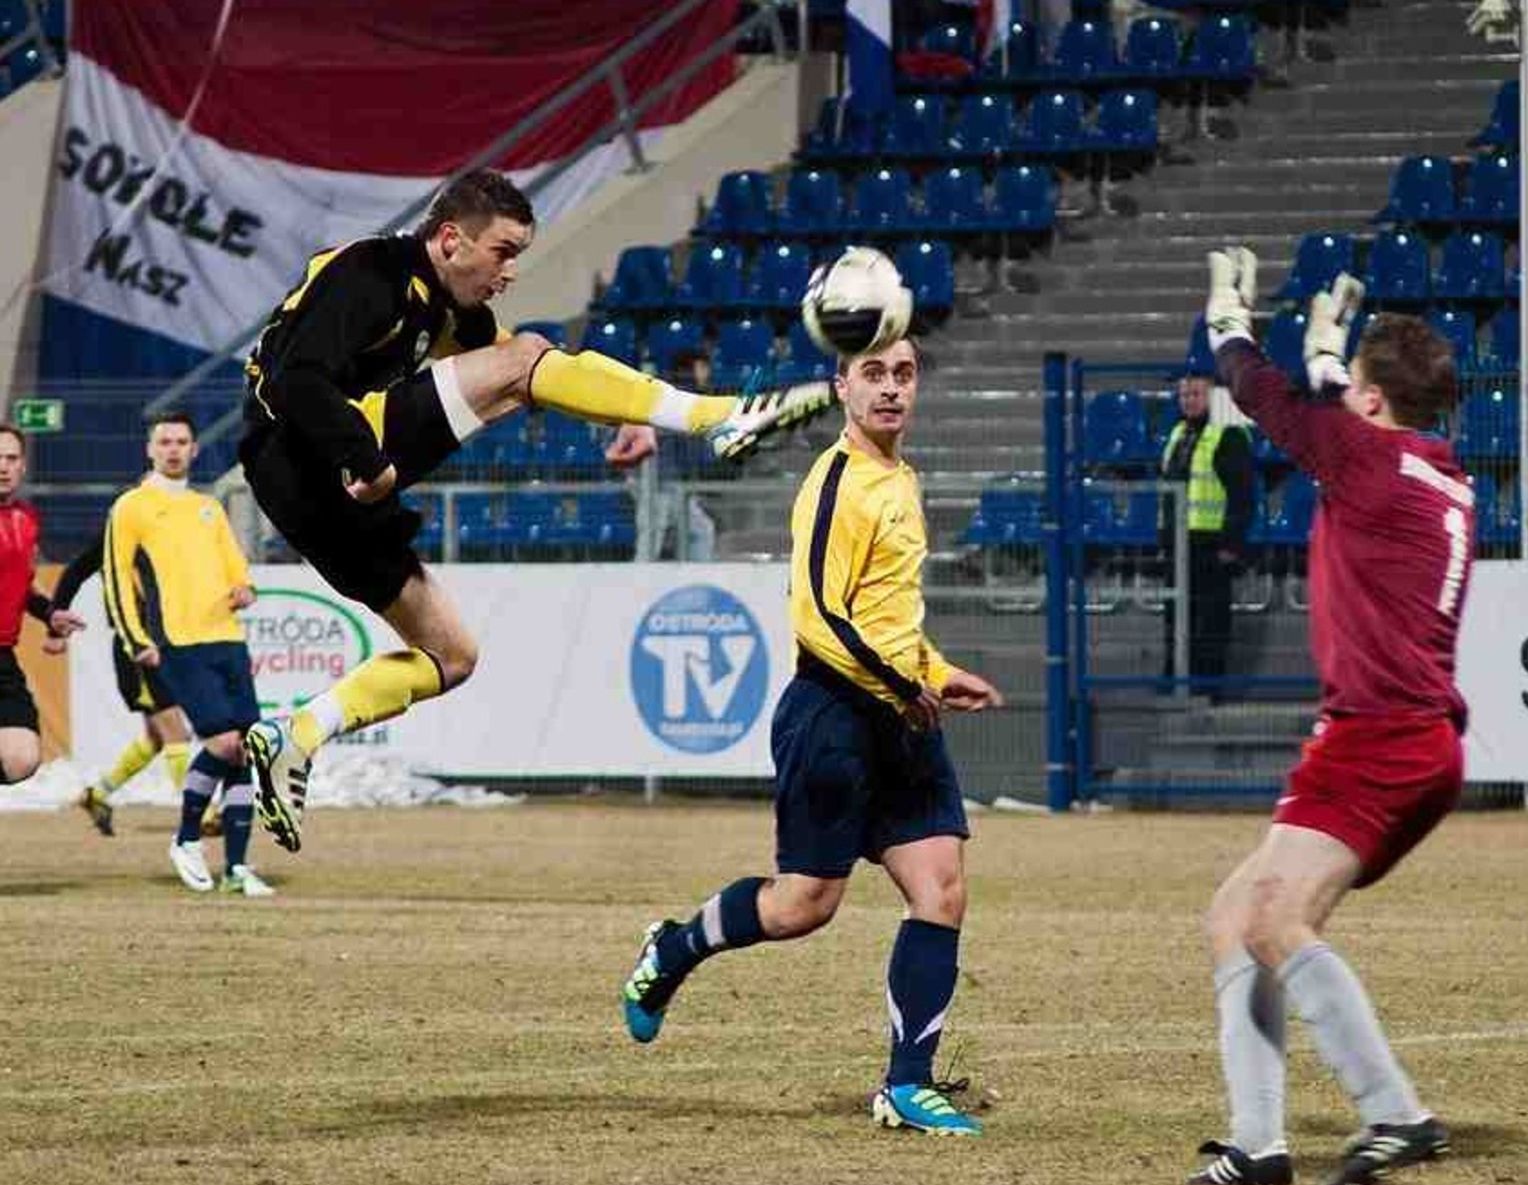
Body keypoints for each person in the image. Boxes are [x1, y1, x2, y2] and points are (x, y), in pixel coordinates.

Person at [238, 169, 830, 853]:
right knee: (520, 358)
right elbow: (294, 380)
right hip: (301, 448)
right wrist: (365, 460)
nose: (511, 270)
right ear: (452, 240)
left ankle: (294, 735)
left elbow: (534, 376)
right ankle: (716, 416)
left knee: (451, 655)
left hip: (325, 496)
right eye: (504, 251)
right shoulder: (370, 271)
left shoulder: (455, 314)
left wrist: (623, 418)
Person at [618, 336, 1004, 1136]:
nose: (891, 389)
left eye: (904, 374)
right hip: (833, 716)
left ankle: (906, 1084)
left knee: (942, 888)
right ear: (841, 386)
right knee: (802, 907)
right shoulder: (835, 483)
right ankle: (678, 946)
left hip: (902, 713)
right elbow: (820, 620)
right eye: (874, 374)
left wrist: (934, 667)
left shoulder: (902, 478)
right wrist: (906, 685)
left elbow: (887, 612)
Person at [1187, 252, 1471, 1185]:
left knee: (1273, 918)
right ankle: (1257, 1143)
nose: (1340, 396)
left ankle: (1396, 1113)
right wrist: (1329, 353)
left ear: (1375, 401)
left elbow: (1268, 398)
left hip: (1379, 736)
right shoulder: (1431, 465)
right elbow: (1336, 411)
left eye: (1352, 385)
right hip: (1397, 734)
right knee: (1238, 916)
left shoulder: (1369, 457)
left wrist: (1229, 323)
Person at [104, 415, 272, 896]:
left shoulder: (207, 508)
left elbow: (236, 566)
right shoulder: (132, 507)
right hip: (177, 642)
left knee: (244, 752)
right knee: (222, 744)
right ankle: (185, 840)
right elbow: (116, 579)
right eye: (164, 442)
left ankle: (237, 869)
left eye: (181, 442)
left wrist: (244, 588)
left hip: (227, 638)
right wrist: (137, 640)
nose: (173, 450)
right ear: (150, 450)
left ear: (195, 450)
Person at [51, 509, 194, 838]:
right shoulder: (116, 538)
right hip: (136, 648)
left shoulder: (170, 539)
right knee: (175, 731)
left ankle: (97, 794)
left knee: (157, 738)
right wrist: (56, 619)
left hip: (160, 645)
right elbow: (75, 571)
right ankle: (199, 812)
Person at [1159, 370, 1254, 699]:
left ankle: (1208, 689)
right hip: (1179, 543)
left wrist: (1231, 544)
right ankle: (1175, 683)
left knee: (1210, 622)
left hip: (1211, 545)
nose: (1188, 401)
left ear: (1213, 397)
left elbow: (1242, 495)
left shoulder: (1228, 433)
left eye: (1195, 394)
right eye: (1184, 395)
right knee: (1176, 618)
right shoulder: (1177, 433)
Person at [0, 425, 87, 784]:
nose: (2, 466)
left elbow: (24, 586)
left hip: (3, 654)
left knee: (22, 758)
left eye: (11, 458)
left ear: (23, 465)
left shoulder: (26, 518)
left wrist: (51, 614)